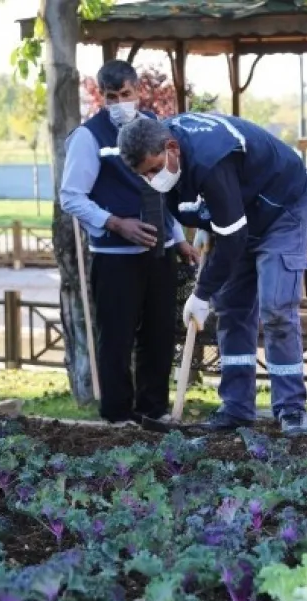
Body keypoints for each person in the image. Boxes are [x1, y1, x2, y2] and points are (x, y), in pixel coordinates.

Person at [117, 112, 307, 437]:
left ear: (172, 147)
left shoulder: (210, 157)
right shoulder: (164, 155)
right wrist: (207, 222)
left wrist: (201, 293)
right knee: (232, 309)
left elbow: (234, 236)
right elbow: (198, 205)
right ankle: (236, 409)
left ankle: (291, 409)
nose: (152, 178)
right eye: (144, 175)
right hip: (239, 211)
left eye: (154, 169)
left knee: (276, 307)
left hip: (283, 207)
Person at [59, 60, 198, 432]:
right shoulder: (89, 137)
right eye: (111, 96)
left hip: (160, 250)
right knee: (116, 337)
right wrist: (115, 223)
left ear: (138, 91)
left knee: (159, 334)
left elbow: (163, 187)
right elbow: (71, 196)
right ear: (100, 97)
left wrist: (180, 239)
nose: (120, 102)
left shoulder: (155, 127)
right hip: (114, 256)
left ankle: (154, 411)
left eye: (126, 94)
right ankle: (118, 416)